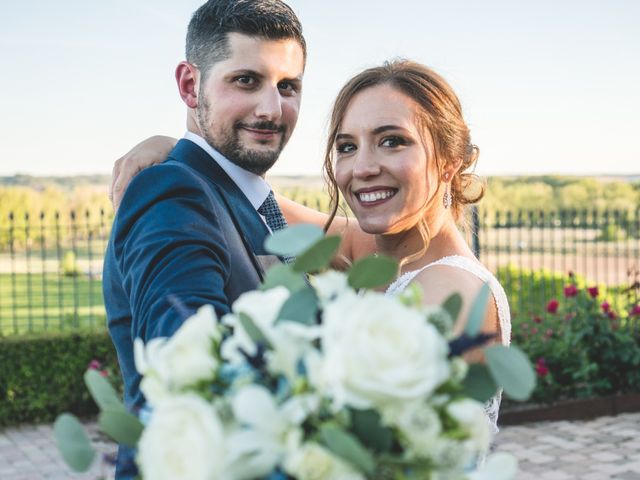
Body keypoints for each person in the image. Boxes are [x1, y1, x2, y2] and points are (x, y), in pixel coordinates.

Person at [111, 60, 511, 436]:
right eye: (347, 147)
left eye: (392, 141)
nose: (363, 168)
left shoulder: (451, 292)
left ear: (450, 160)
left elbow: (351, 436)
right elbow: (252, 199)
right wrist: (184, 151)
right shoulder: (368, 248)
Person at [102, 1, 375, 478]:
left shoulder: (247, 201)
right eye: (246, 80)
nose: (273, 109)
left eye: (288, 87)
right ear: (191, 85)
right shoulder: (173, 192)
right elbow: (194, 385)